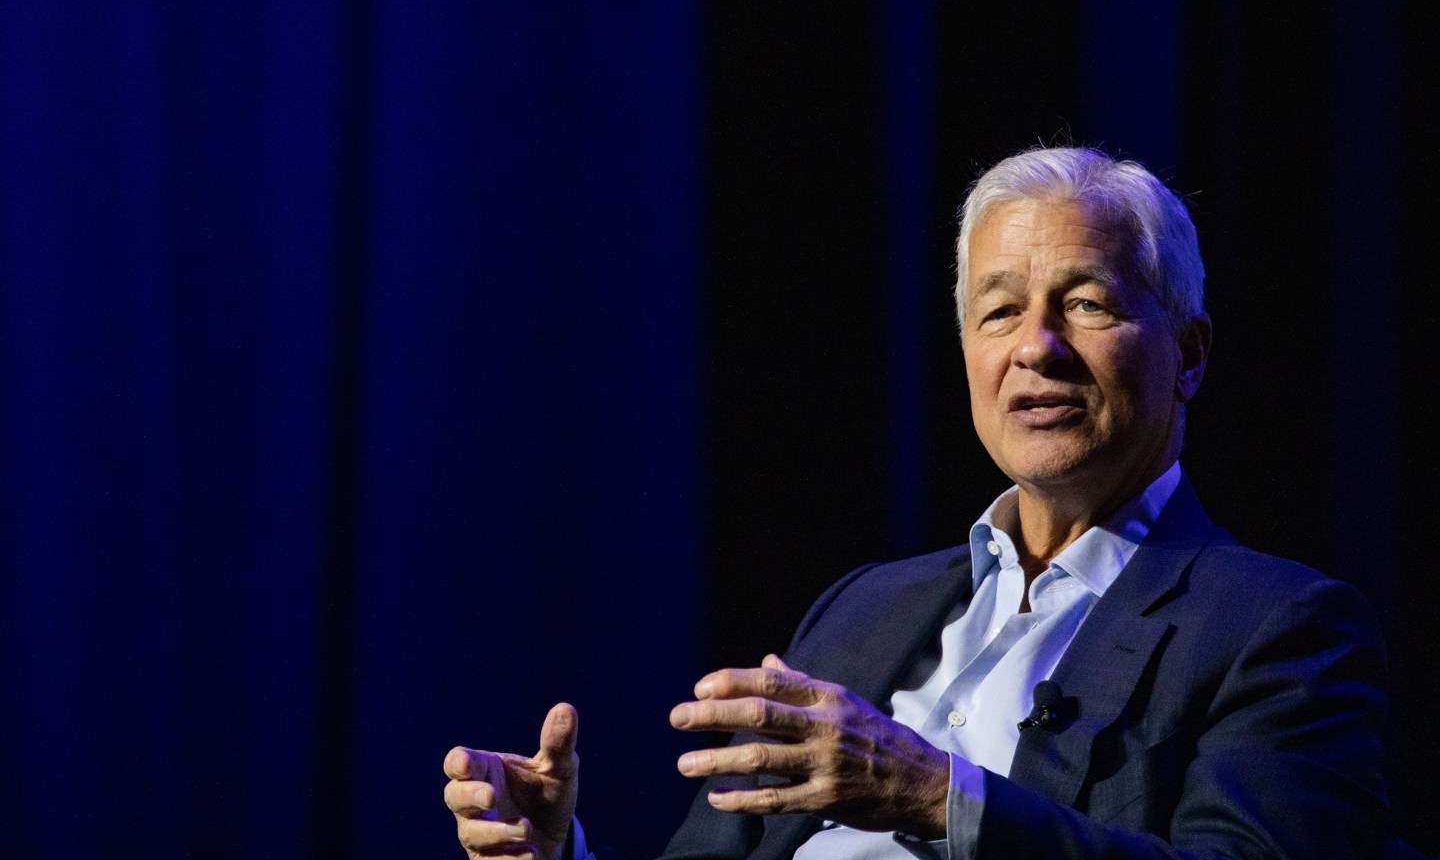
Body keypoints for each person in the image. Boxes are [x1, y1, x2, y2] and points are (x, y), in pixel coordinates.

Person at [443, 147, 1390, 859]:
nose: (1037, 347)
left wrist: (935, 796)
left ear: (1188, 354)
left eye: (1088, 304)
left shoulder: (1275, 628)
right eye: (998, 311)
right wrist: (556, 852)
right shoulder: (864, 609)